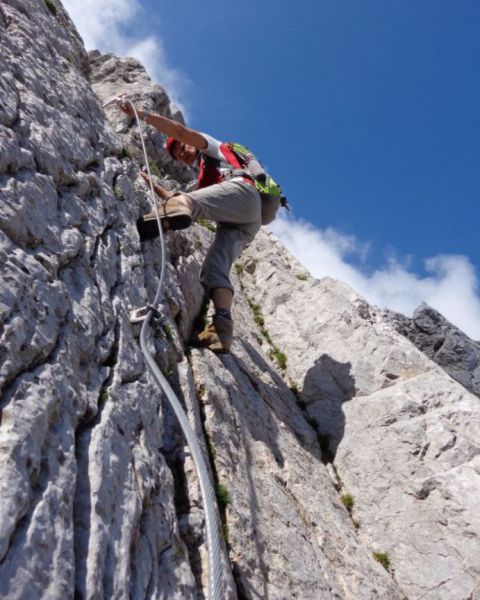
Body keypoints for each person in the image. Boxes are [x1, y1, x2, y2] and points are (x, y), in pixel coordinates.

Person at [119, 103, 263, 353]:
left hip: (242, 192)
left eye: (181, 147)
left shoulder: (213, 148)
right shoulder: (206, 178)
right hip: (245, 218)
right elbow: (189, 201)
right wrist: (154, 186)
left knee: (186, 204)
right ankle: (222, 330)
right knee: (213, 270)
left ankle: (151, 223)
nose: (181, 154)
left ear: (192, 143)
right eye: (176, 155)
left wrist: (140, 115)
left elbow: (180, 131)